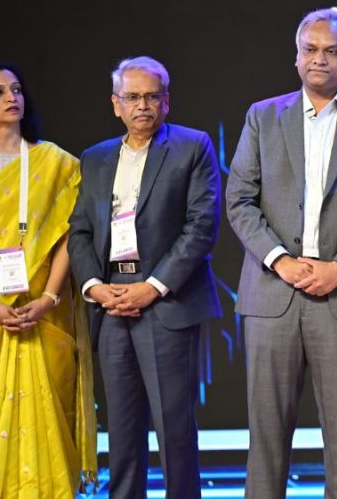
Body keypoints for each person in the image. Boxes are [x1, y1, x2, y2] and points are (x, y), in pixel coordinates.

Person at [226, 8, 337, 499]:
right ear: (297, 55)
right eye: (311, 50)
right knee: (266, 437)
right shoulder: (262, 116)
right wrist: (280, 259)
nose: (319, 59)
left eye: (331, 51)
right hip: (272, 295)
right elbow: (239, 199)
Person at [68, 56, 222, 498]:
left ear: (167, 102)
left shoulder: (193, 147)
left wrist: (151, 288)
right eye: (132, 97)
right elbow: (79, 229)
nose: (143, 106)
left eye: (152, 96)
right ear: (116, 104)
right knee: (121, 431)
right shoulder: (96, 158)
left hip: (165, 302)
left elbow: (201, 227)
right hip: (111, 302)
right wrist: (94, 287)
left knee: (174, 429)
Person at [0, 63, 96, 498]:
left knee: (50, 405)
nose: (11, 97)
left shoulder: (58, 163)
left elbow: (70, 236)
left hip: (44, 310)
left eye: (17, 89)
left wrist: (48, 296)